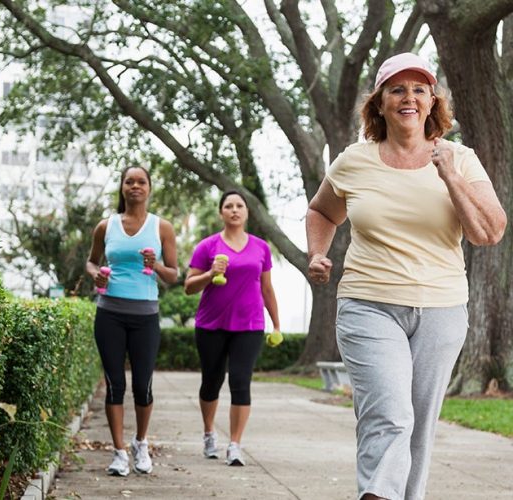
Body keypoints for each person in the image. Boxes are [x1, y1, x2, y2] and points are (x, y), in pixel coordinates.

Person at [306, 52, 506, 500]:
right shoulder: (354, 161)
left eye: (419, 89)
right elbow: (322, 210)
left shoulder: (461, 159)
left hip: (441, 309)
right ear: (379, 103)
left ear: (432, 101)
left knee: (418, 425)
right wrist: (317, 252)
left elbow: (489, 232)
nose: (409, 97)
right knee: (389, 415)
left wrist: (450, 175)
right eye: (397, 89)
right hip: (368, 304)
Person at [86, 165, 178, 476]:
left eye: (141, 181)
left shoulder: (161, 227)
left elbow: (174, 275)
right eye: (129, 181)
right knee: (115, 385)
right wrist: (95, 274)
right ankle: (119, 452)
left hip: (145, 316)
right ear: (122, 188)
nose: (135, 186)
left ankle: (140, 443)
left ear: (149, 188)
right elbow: (91, 261)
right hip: (109, 313)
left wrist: (157, 265)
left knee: (142, 385)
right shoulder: (105, 226)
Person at [183, 190, 280, 466]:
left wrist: (276, 323)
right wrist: (210, 274)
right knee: (211, 382)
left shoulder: (261, 247)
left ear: (247, 212)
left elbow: (267, 288)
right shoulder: (207, 246)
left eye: (239, 206)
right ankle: (208, 433)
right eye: (228, 206)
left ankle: (235, 444)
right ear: (221, 212)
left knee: (240, 382)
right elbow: (189, 286)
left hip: (249, 325)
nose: (234, 210)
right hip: (211, 324)